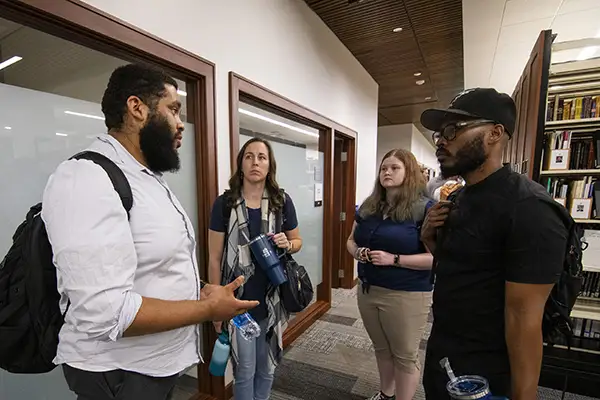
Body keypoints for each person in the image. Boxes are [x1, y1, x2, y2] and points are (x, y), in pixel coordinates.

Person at [41, 64, 257, 400]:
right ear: (136, 108)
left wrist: (200, 291)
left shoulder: (145, 177)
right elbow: (105, 311)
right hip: (119, 375)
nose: (181, 123)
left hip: (154, 368)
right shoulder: (86, 178)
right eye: (173, 109)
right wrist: (207, 310)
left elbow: (152, 266)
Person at [419, 88, 568, 399]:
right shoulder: (459, 197)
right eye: (438, 134)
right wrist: (431, 242)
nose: (442, 141)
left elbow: (524, 320)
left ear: (495, 133)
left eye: (452, 130)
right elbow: (467, 272)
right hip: (444, 358)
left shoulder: (529, 208)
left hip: (486, 377)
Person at [208, 137, 302, 400]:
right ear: (241, 165)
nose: (255, 162)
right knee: (245, 369)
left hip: (271, 299)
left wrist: (288, 243)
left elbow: (297, 242)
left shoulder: (282, 202)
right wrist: (216, 305)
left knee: (267, 368)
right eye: (249, 156)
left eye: (261, 157)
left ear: (270, 165)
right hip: (238, 303)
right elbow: (214, 258)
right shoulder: (224, 205)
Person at [347, 148, 434, 400]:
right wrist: (358, 252)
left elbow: (436, 259)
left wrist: (394, 259)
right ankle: (386, 394)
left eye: (394, 168)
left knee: (405, 355)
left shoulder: (425, 209)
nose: (387, 172)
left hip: (406, 294)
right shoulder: (369, 206)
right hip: (368, 290)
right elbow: (350, 240)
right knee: (382, 348)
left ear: (410, 173)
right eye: (384, 168)